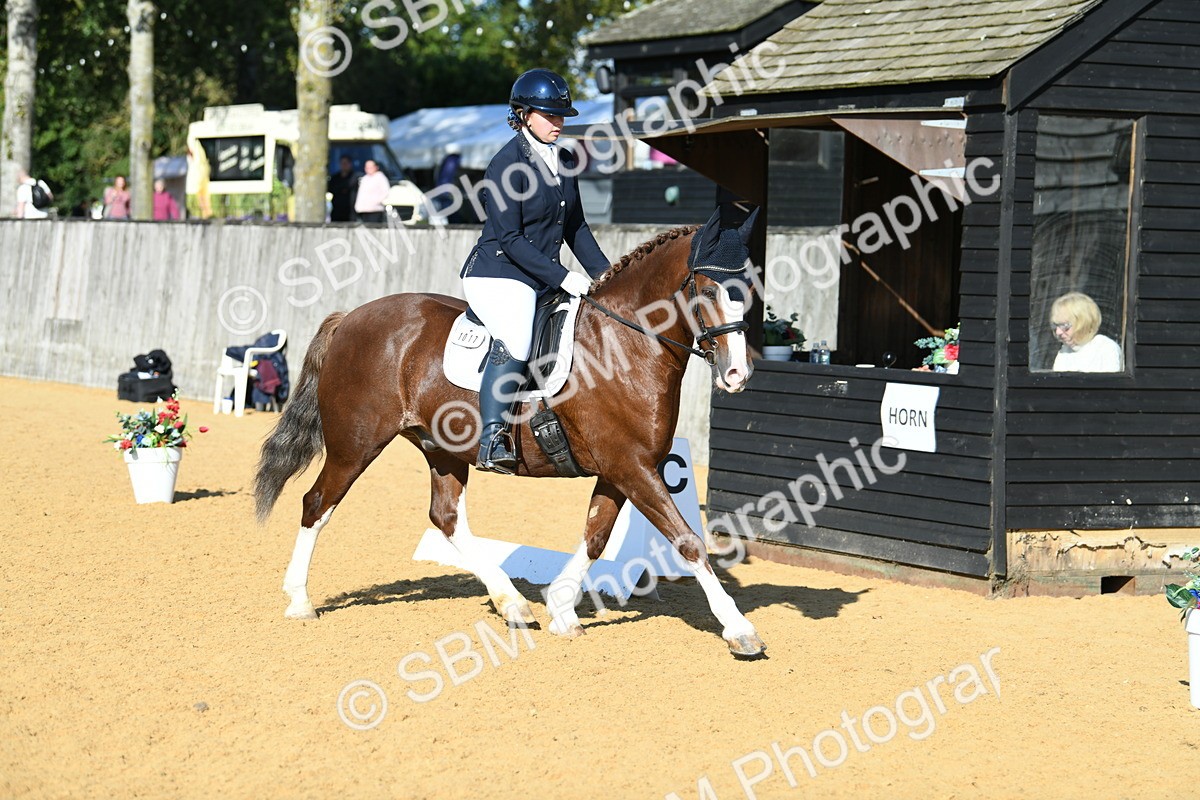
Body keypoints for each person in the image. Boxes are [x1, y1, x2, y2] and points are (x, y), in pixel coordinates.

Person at [460, 68, 611, 474]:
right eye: (550, 115)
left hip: (541, 273)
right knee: (516, 333)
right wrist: (563, 277)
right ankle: (492, 439)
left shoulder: (563, 160)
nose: (558, 123)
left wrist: (608, 277)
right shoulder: (505, 165)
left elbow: (576, 228)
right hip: (499, 272)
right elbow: (509, 238)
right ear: (524, 114)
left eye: (561, 116)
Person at [1050, 291, 1123, 372]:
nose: (1058, 332)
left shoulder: (1105, 349)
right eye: (1056, 326)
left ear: (1084, 323)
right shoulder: (1064, 352)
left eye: (1064, 326)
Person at [328, 156, 361, 222]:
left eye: (346, 163)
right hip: (337, 211)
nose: (344, 165)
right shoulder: (335, 179)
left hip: (352, 211)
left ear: (350, 164)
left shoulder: (357, 177)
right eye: (342, 163)